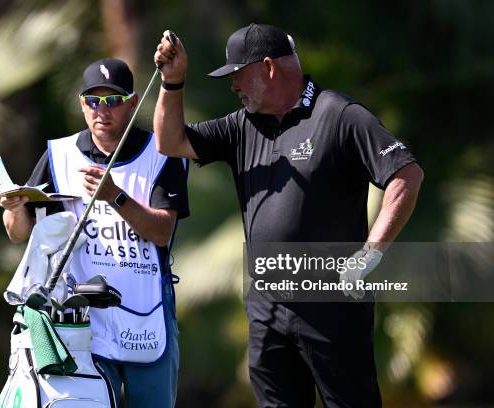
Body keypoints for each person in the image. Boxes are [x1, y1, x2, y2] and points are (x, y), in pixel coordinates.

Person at [154, 23, 424, 407]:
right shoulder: (242, 125)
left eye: (237, 74)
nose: (233, 86)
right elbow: (170, 141)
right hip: (267, 310)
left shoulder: (340, 114)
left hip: (332, 308)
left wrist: (371, 253)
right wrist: (173, 82)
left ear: (267, 68)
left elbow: (406, 174)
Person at [0, 57, 189, 408]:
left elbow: (162, 231)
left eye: (113, 100)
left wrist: (114, 196)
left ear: (132, 102)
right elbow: (20, 231)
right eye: (93, 101)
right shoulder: (59, 153)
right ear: (81, 104)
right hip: (83, 330)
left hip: (148, 323)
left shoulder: (162, 154)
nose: (103, 110)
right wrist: (13, 210)